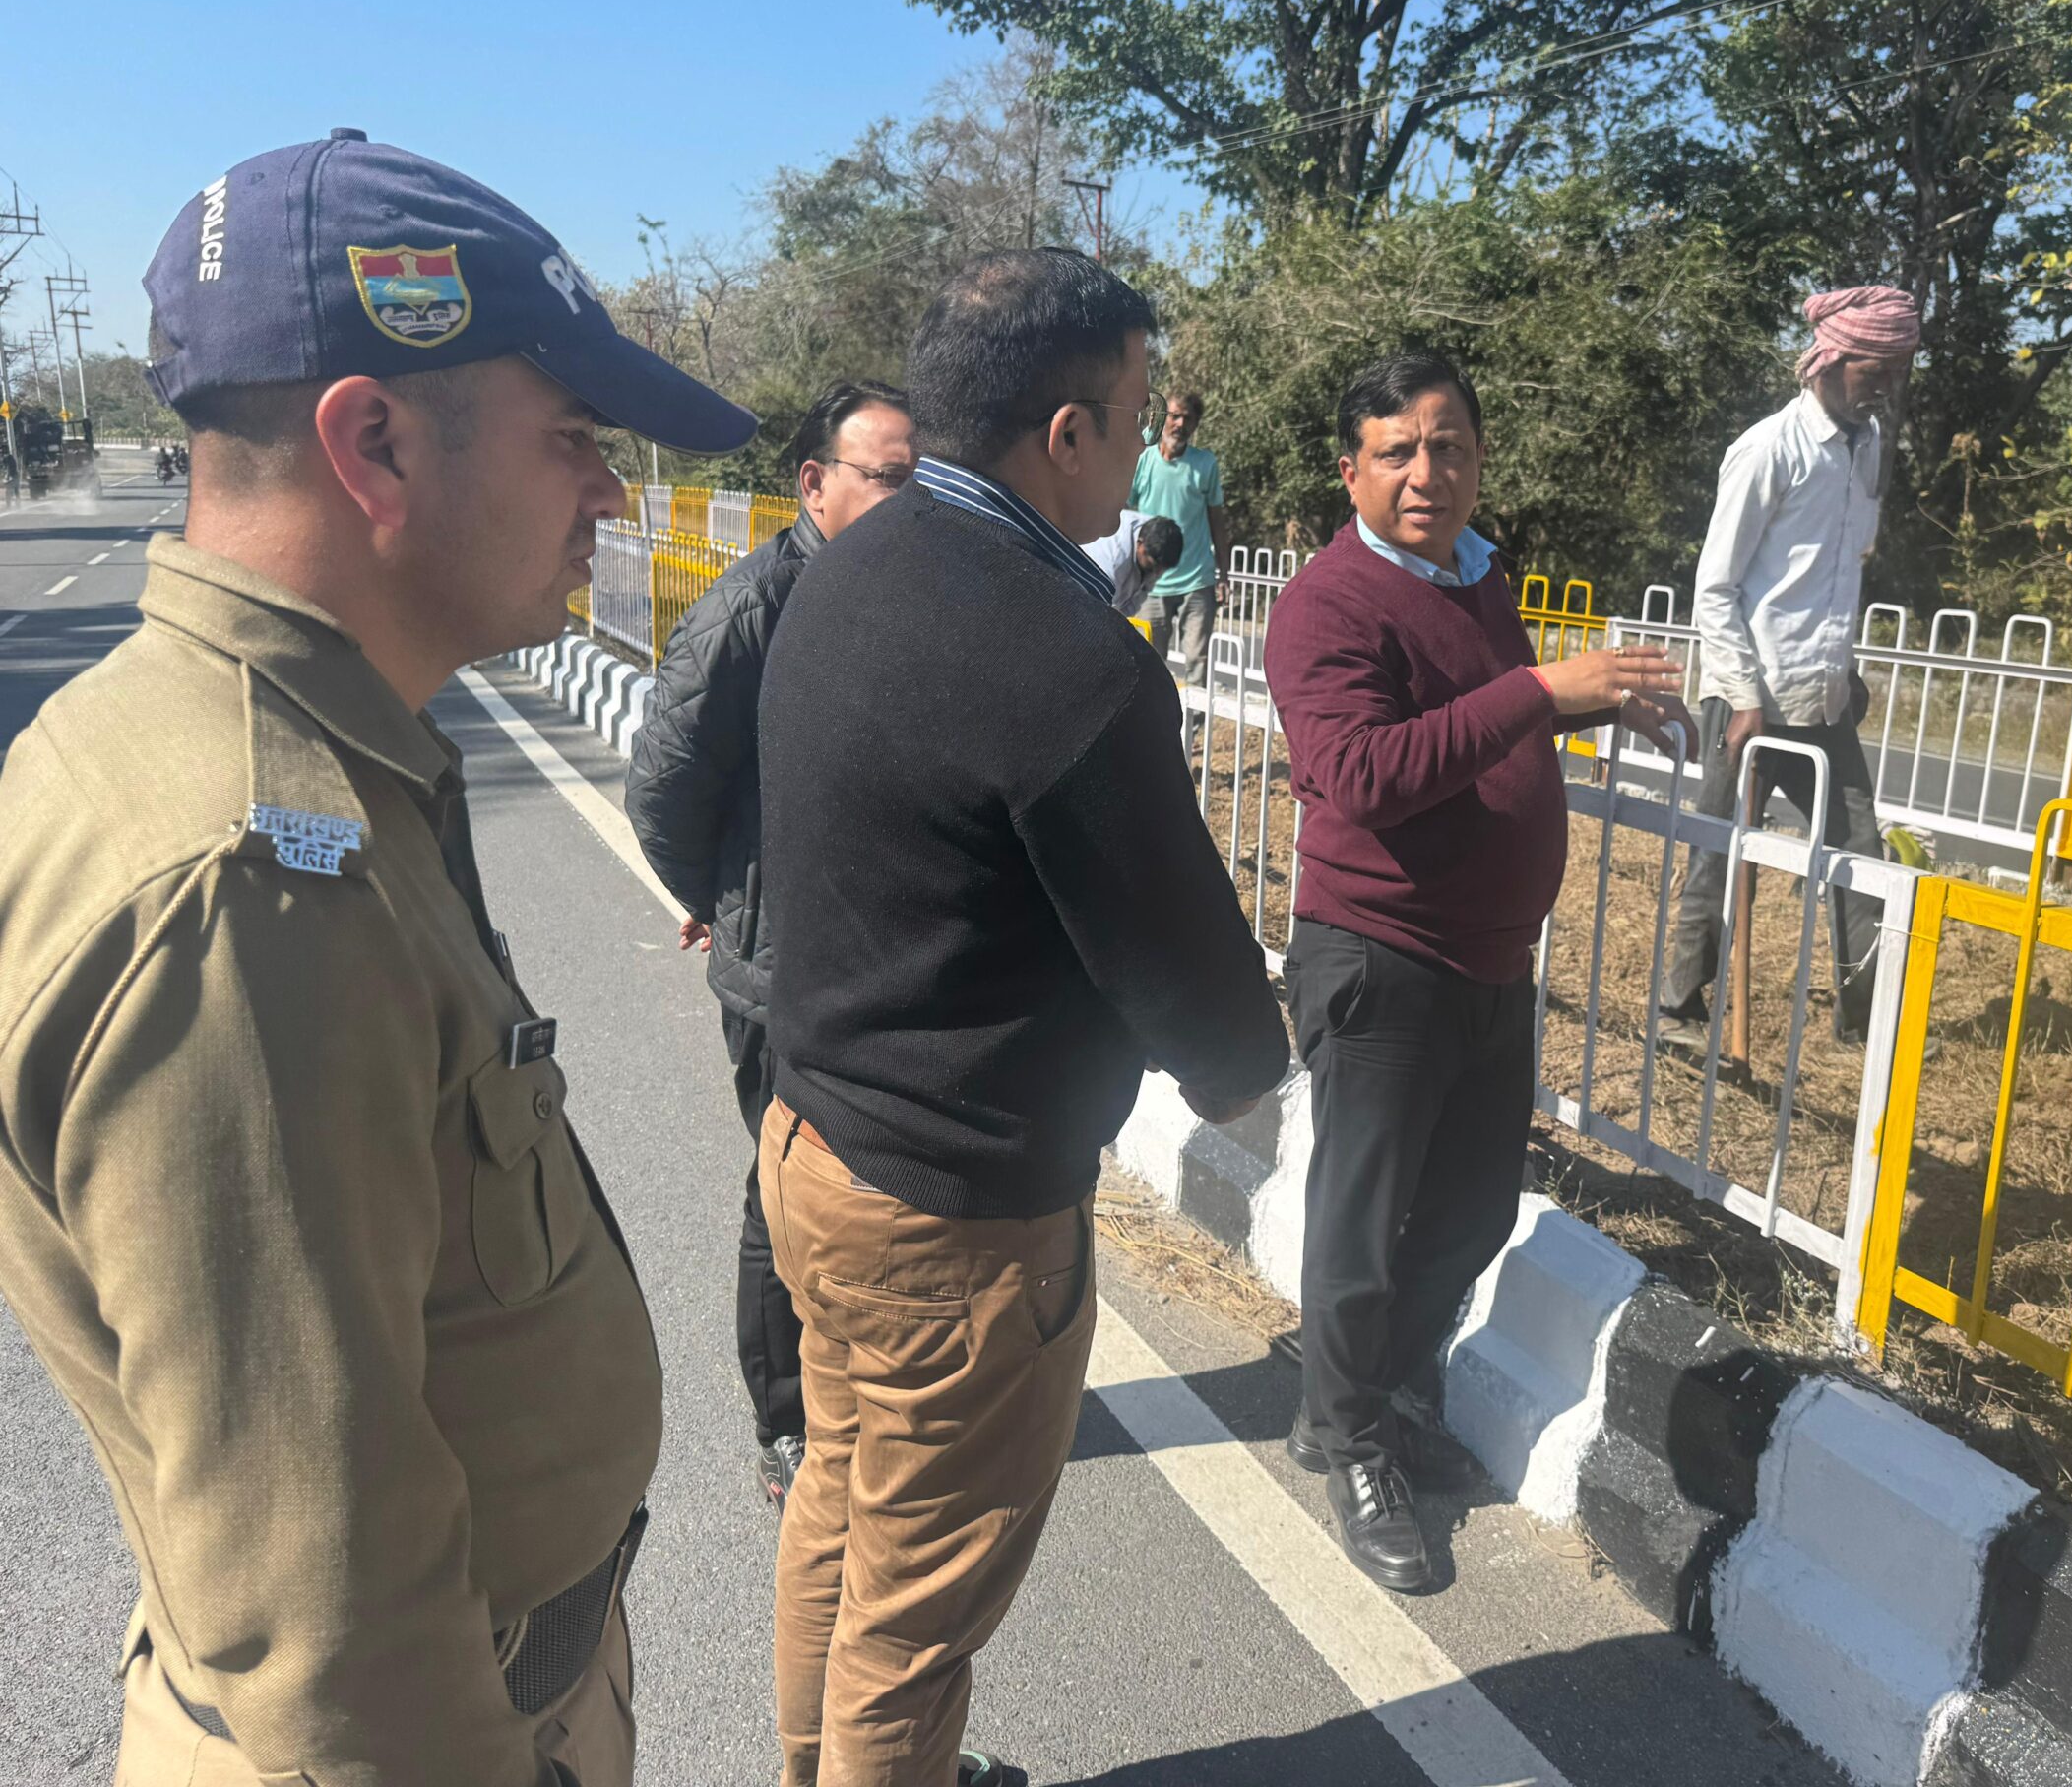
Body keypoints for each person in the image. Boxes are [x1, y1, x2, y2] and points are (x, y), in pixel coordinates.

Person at [0, 131, 755, 1785]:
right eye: (574, 438)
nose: (614, 495)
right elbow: (329, 1625)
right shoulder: (243, 887)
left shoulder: (276, 757)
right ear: (376, 445)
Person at [756, 249, 1288, 1787]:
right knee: (913, 1625)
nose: (1142, 454)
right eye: (1134, 414)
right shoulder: (1069, 669)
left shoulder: (848, 566)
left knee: (839, 1512)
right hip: (957, 1218)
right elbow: (1210, 1013)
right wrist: (1256, 1067)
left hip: (813, 1144)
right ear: (1068, 433)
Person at [1265, 351, 1688, 1593]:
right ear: (1350, 472)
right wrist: (1540, 689)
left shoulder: (1476, 576)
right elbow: (1364, 774)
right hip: (1379, 954)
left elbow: (1480, 713)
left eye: (1446, 446)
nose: (1424, 472)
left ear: (1478, 460)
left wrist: (1586, 704)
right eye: (1396, 451)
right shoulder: (1327, 604)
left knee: (1469, 1215)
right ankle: (1348, 1440)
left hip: (1492, 960)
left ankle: (1363, 1398)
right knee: (1363, 1228)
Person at [624, 376, 913, 1510]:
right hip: (783, 969)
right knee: (785, 1193)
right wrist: (722, 897)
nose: (908, 502)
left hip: (884, 959)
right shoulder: (752, 609)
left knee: (869, 1187)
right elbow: (663, 786)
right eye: (887, 478)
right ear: (814, 483)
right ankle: (785, 1419)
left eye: (922, 481)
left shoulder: (909, 597)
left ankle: (865, 1382)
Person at [1653, 286, 1919, 1059]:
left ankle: (1864, 1018)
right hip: (1750, 701)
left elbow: (1835, 575)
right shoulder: (1769, 448)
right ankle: (1677, 1007)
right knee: (1718, 850)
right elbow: (1717, 587)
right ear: (1829, 361)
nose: (1884, 386)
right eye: (1874, 369)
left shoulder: (1867, 446)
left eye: (1895, 371)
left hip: (1822, 701)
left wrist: (1846, 668)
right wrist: (1743, 696)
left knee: (1860, 855)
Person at [1132, 391, 1226, 746]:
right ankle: (1157, 733)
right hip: (1152, 583)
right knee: (1151, 661)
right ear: (1162, 419)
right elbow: (1125, 514)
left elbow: (1217, 521)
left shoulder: (1205, 464)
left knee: (1197, 659)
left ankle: (1192, 736)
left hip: (1197, 579)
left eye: (1188, 418)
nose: (1180, 424)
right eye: (1174, 416)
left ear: (1196, 424)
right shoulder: (1142, 461)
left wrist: (1223, 573)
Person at [1081, 506, 1185, 618]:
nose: (1157, 574)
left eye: (1163, 569)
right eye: (1153, 566)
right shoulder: (1113, 562)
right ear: (1140, 544)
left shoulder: (1158, 537)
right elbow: (1101, 612)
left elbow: (1140, 595)